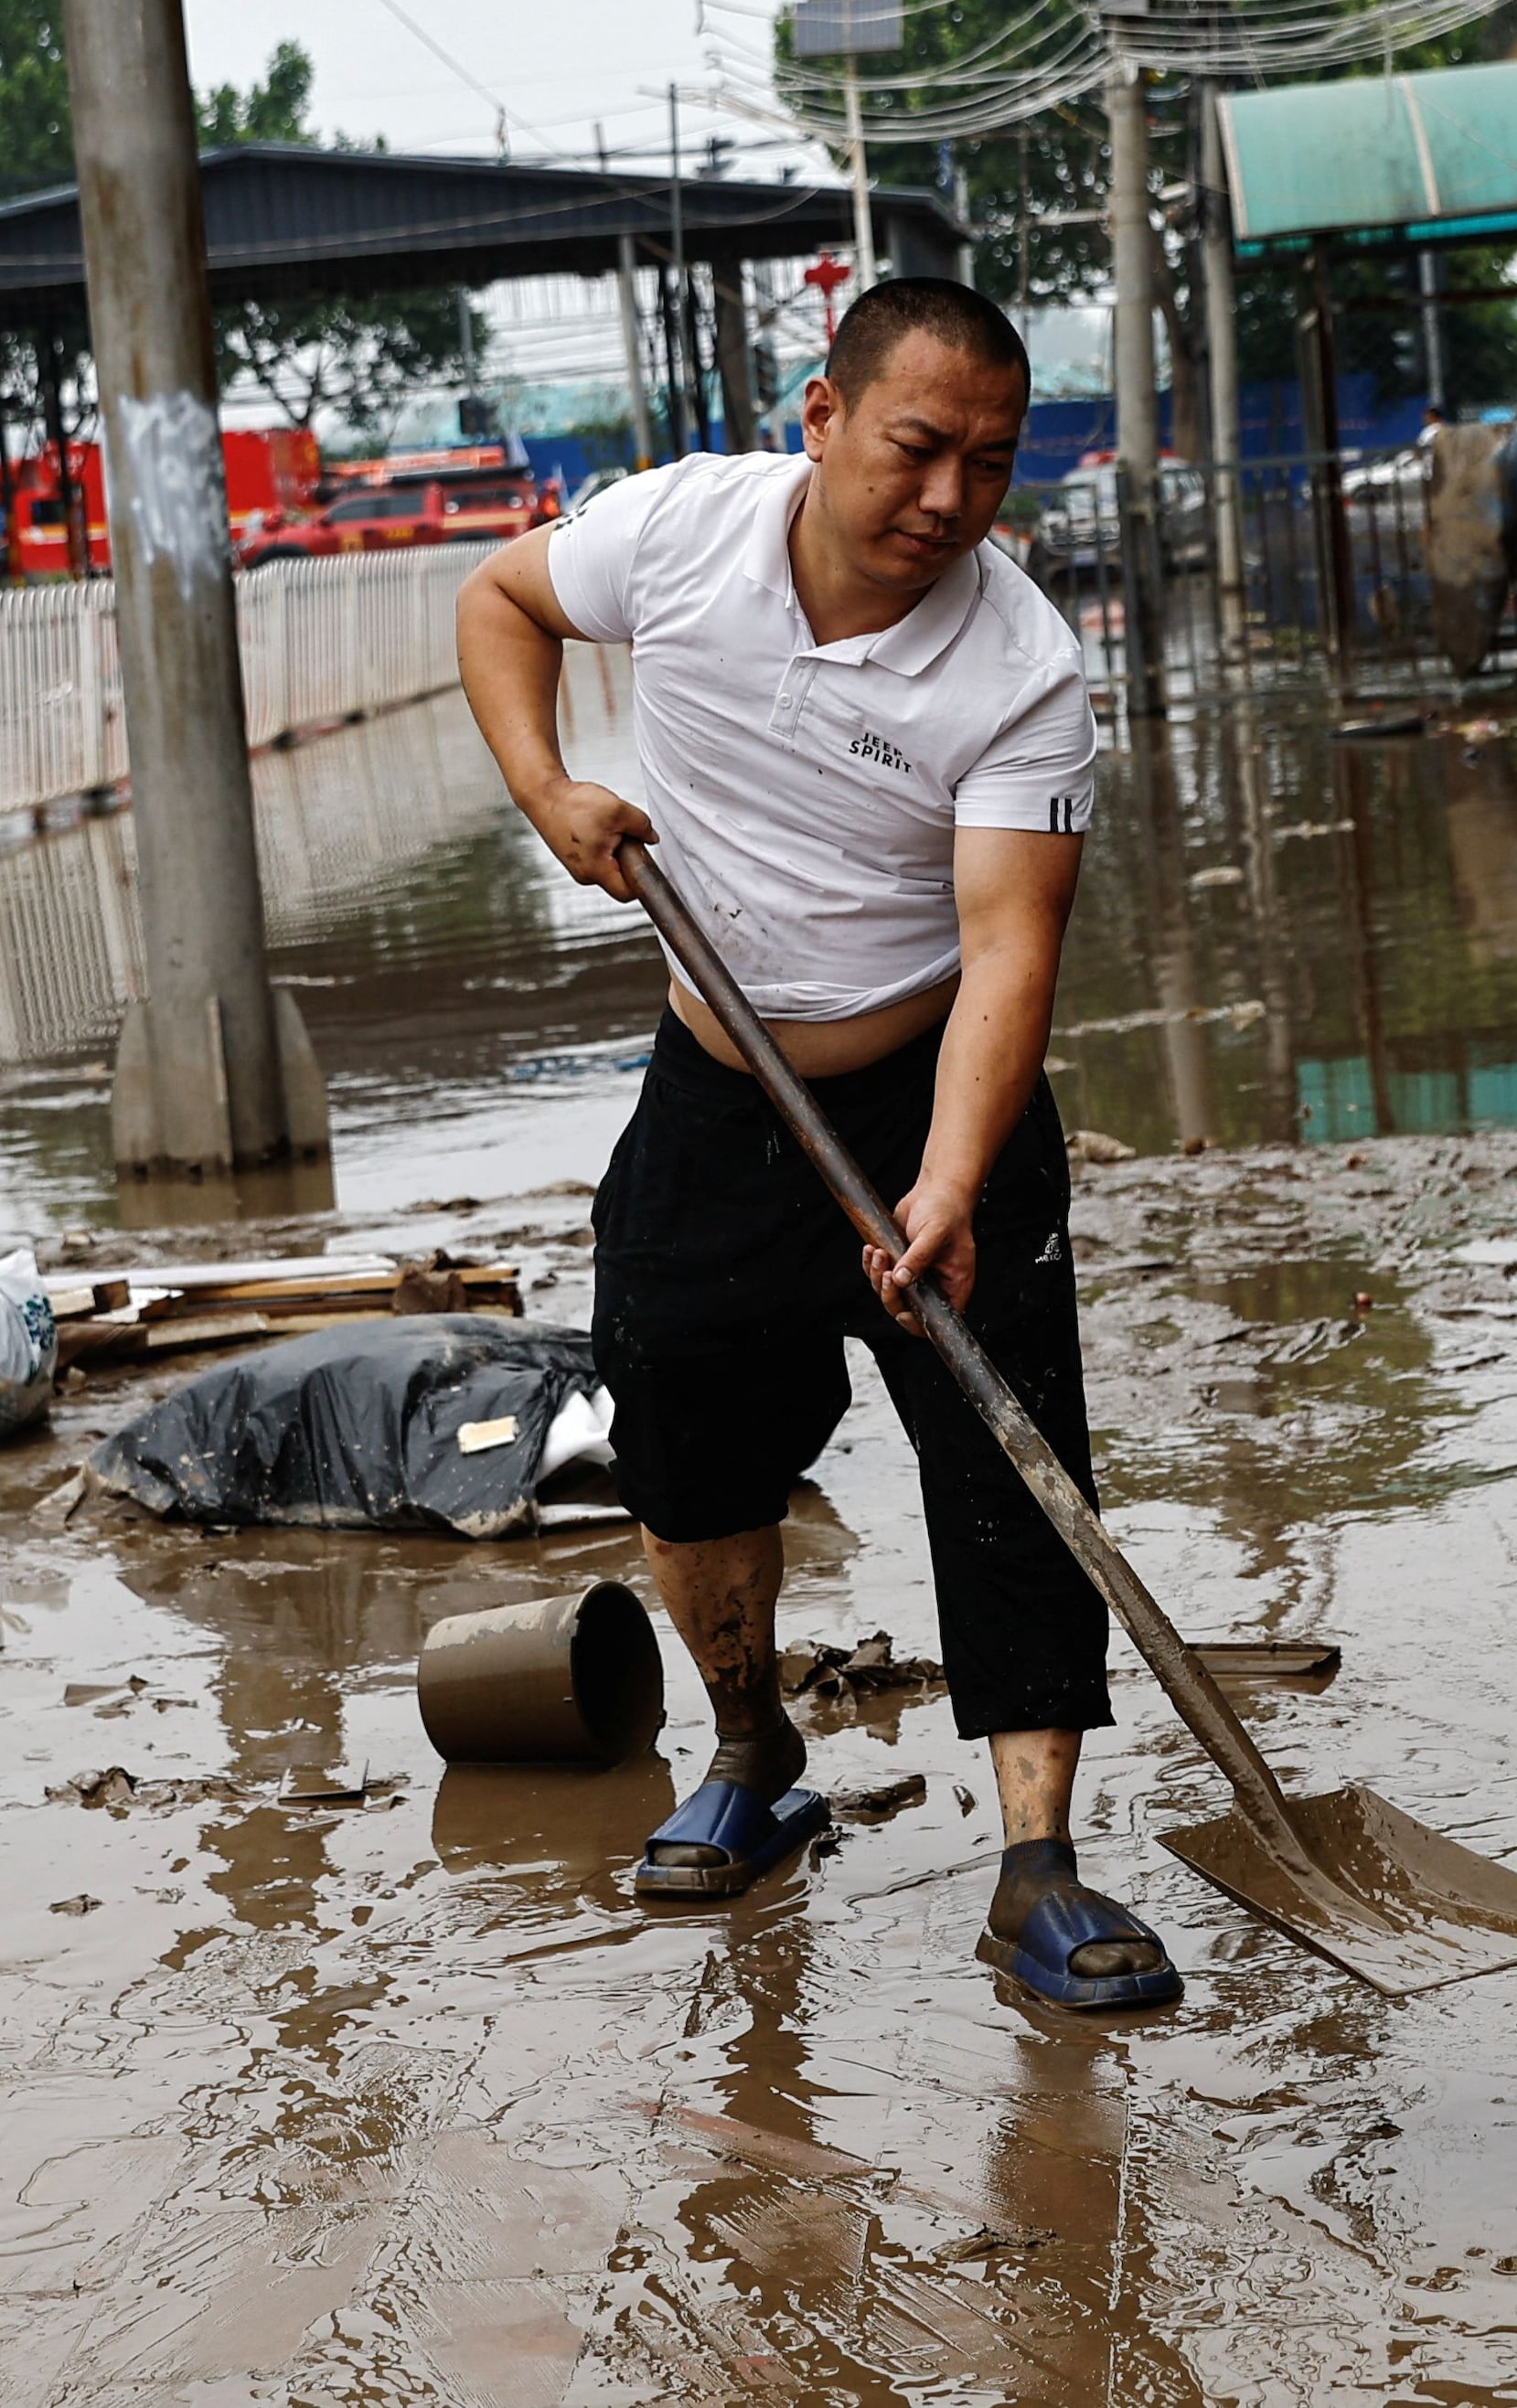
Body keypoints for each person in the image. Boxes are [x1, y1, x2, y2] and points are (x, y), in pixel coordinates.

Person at [453, 277, 1174, 2013]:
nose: (946, 500)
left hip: (936, 1084)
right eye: (917, 448)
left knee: (1011, 1462)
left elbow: (1010, 943)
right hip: (715, 1084)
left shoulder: (1022, 667)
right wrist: (550, 789)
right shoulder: (681, 532)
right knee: (681, 1421)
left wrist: (946, 1176)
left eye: (989, 468)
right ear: (822, 413)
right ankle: (755, 1752)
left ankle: (1037, 1869)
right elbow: (495, 597)